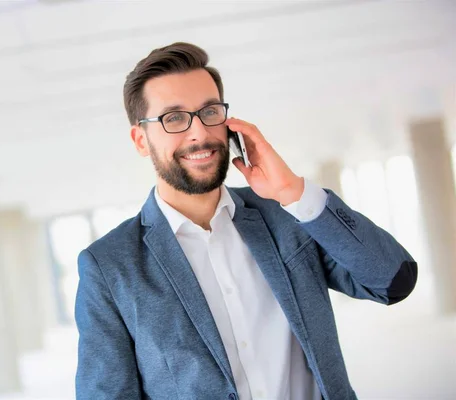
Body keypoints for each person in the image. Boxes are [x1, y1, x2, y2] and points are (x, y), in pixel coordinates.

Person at [74, 42, 417, 400]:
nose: (199, 133)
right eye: (173, 118)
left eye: (209, 111)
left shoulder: (288, 214)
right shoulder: (110, 267)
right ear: (140, 140)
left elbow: (393, 280)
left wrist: (294, 192)